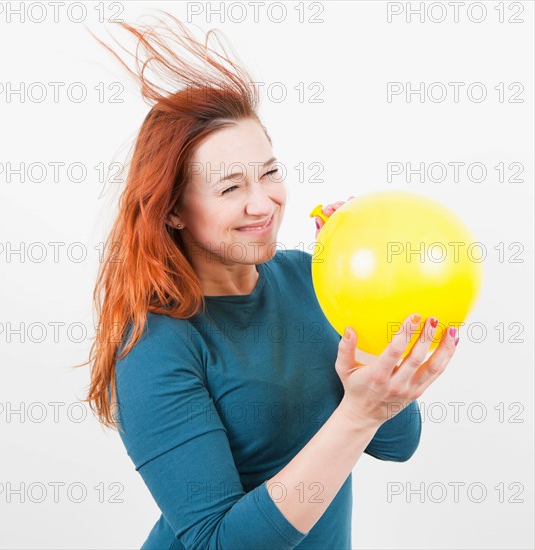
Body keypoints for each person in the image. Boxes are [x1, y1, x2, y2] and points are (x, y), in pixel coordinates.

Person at [81, 11, 459, 550]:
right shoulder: (154, 345)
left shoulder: (312, 279)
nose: (263, 203)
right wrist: (357, 413)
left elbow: (397, 443)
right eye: (230, 186)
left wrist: (372, 301)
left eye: (269, 172)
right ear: (173, 211)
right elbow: (215, 542)